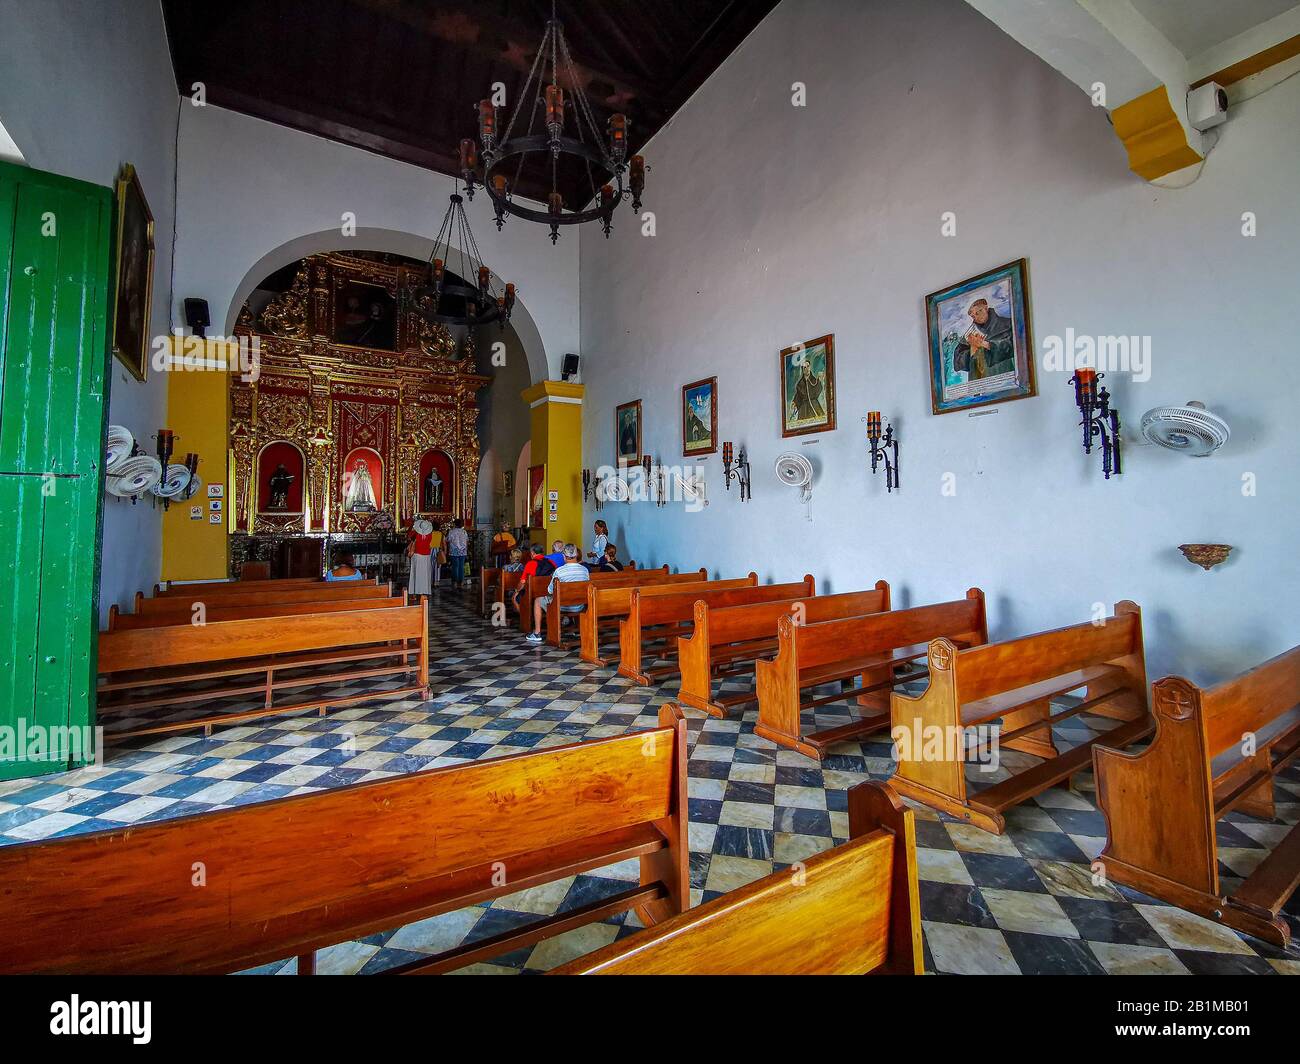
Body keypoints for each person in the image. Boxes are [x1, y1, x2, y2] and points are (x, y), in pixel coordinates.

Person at [527, 544, 590, 643]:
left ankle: (537, 633)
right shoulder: (584, 570)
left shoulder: (559, 571)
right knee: (575, 597)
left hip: (562, 606)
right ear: (576, 555)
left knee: (538, 600)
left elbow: (550, 591)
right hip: (579, 606)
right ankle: (578, 630)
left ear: (564, 556)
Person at [953, 297, 1015, 380]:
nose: (976, 317)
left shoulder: (1008, 324)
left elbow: (1014, 347)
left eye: (979, 312)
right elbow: (957, 364)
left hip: (1003, 379)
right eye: (973, 316)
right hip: (977, 384)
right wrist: (972, 350)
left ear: (986, 308)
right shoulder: (969, 335)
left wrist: (985, 344)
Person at [511, 543, 554, 614]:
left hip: (533, 593)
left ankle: (524, 618)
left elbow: (522, 582)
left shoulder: (530, 564)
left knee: (515, 597)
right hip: (548, 592)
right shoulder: (551, 562)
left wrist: (516, 591)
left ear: (532, 553)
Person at [407, 517, 435, 600]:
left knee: (415, 574)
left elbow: (408, 535)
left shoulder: (415, 534)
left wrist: (413, 526)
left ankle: (414, 594)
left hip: (417, 556)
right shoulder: (430, 535)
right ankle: (424, 592)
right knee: (425, 575)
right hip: (426, 556)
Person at [446, 518, 469, 587]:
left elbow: (447, 540)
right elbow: (467, 542)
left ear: (454, 524)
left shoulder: (451, 531)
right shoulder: (464, 532)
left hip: (454, 551)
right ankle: (461, 582)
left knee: (455, 566)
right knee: (461, 566)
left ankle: (455, 582)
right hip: (463, 551)